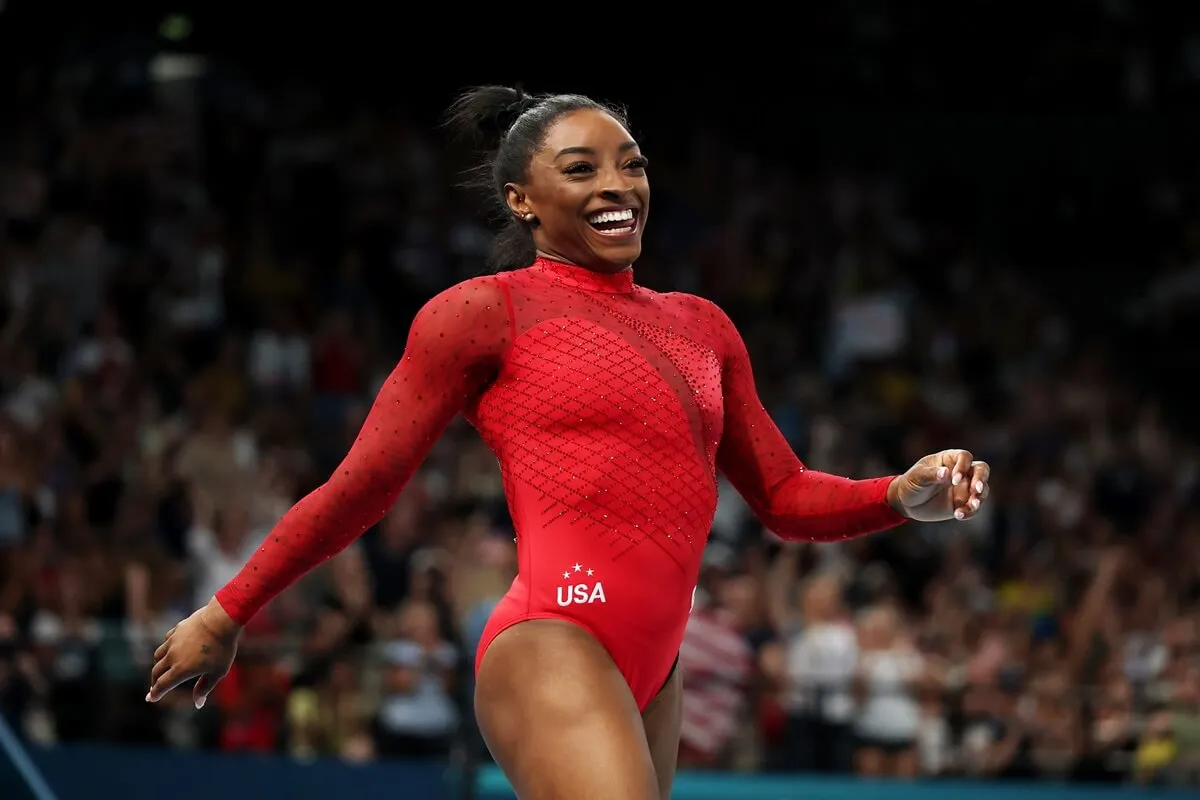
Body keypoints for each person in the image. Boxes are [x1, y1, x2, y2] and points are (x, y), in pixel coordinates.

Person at [147, 86, 992, 799]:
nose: (617, 184)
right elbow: (363, 485)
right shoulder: (482, 313)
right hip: (554, 637)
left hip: (655, 670)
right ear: (522, 198)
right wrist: (230, 610)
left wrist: (895, 495)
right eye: (580, 169)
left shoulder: (705, 327)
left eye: (631, 163)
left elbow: (784, 496)